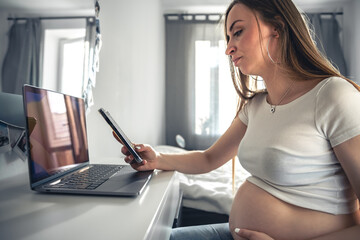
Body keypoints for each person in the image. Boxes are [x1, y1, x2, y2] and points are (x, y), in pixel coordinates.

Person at [114, 0, 360, 239]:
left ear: (277, 27)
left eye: (238, 32)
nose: (228, 48)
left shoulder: (332, 95)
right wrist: (157, 159)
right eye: (228, 38)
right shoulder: (255, 106)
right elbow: (208, 158)